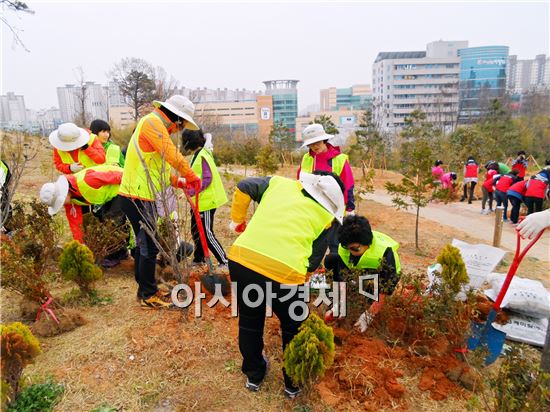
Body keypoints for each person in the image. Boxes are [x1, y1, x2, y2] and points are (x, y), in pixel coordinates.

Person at [227, 171, 345, 399]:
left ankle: (254, 376)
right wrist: (304, 279)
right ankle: (292, 383)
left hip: (242, 260)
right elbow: (313, 258)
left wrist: (238, 221)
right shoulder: (325, 216)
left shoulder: (278, 183)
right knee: (294, 326)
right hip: (285, 273)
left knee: (250, 321)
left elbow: (243, 186)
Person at [118, 95, 201, 309]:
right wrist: (191, 174)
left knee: (144, 244)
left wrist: (180, 181)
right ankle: (148, 294)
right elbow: (172, 155)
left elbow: (161, 172)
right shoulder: (152, 122)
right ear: (177, 119)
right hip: (136, 196)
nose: (178, 131)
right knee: (149, 246)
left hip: (140, 195)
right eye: (180, 127)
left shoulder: (156, 127)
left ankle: (144, 290)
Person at [324, 215, 401, 331]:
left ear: (367, 244)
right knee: (331, 260)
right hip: (358, 273)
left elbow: (384, 291)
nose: (350, 252)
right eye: (348, 248)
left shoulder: (385, 254)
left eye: (354, 248)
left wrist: (369, 315)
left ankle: (365, 298)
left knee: (366, 299)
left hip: (378, 276)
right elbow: (342, 277)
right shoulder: (345, 247)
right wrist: (340, 304)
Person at [297, 123, 355, 256]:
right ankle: (312, 274)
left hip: (334, 209)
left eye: (317, 142)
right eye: (311, 144)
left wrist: (350, 208)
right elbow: (300, 181)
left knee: (336, 246)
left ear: (324, 139)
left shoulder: (339, 159)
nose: (315, 146)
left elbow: (348, 184)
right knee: (312, 246)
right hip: (312, 210)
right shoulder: (306, 159)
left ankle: (336, 275)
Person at [39, 164, 125, 243]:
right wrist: (80, 244)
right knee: (101, 220)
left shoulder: (88, 180)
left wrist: (133, 188)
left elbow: (118, 176)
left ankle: (121, 255)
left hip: (124, 188)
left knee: (113, 222)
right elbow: (75, 223)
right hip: (109, 197)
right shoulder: (71, 199)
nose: (61, 205)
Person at [181, 129, 228, 268]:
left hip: (206, 201)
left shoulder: (202, 155)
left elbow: (207, 179)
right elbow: (196, 176)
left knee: (206, 233)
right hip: (199, 201)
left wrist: (191, 191)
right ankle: (198, 259)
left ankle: (224, 261)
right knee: (196, 230)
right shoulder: (198, 155)